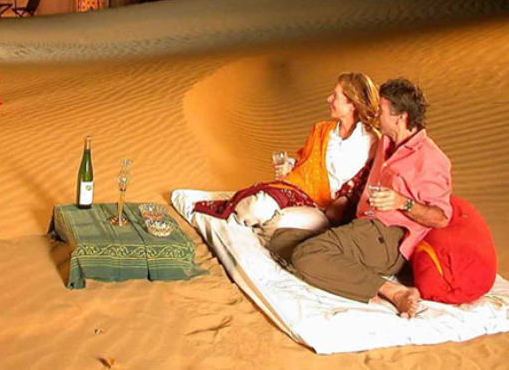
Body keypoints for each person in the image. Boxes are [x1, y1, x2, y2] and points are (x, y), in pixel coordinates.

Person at [270, 78, 452, 318]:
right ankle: (353, 274)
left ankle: (393, 292)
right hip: (363, 226)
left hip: (389, 238)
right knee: (281, 240)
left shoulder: (430, 158)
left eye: (381, 111)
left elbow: (441, 218)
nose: (376, 115)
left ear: (401, 118)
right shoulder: (385, 143)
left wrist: (403, 202)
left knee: (307, 255)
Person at [194, 72, 380, 229]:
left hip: (329, 209)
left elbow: (366, 182)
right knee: (254, 209)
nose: (329, 99)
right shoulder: (322, 130)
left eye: (336, 96)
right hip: (299, 190)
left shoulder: (372, 141)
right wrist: (289, 166)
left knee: (279, 223)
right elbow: (305, 164)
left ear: (352, 104)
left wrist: (344, 200)